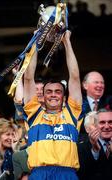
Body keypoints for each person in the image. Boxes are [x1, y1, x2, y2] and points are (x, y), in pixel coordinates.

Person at [23, 30, 83, 180]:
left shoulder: (72, 113)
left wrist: (67, 41)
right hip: (39, 173)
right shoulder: (34, 114)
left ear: (64, 96)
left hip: (67, 173)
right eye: (49, 92)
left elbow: (75, 78)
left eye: (58, 91)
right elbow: (28, 79)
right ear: (42, 96)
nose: (53, 94)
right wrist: (36, 42)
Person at [78, 108, 112, 180]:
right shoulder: (83, 146)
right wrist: (95, 149)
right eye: (102, 122)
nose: (107, 126)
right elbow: (84, 172)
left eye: (110, 122)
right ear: (95, 125)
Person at [79, 71, 105, 142]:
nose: (100, 85)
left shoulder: (109, 102)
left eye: (102, 83)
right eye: (96, 82)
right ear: (85, 85)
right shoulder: (77, 105)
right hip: (83, 147)